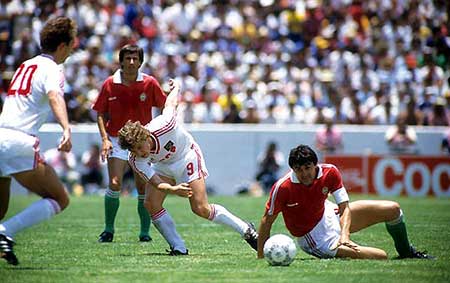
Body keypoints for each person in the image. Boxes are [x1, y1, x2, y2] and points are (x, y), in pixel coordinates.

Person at [117, 79, 258, 255]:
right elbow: (156, 182)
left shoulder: (164, 125)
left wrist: (175, 88)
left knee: (200, 208)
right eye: (134, 150)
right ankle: (178, 247)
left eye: (140, 146)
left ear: (145, 135)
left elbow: (170, 105)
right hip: (163, 165)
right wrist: (174, 189)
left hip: (187, 156)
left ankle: (247, 230)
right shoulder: (135, 159)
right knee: (151, 203)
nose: (140, 153)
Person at [257, 144, 433, 260]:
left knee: (393, 209)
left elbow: (344, 206)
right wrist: (260, 258)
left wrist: (345, 235)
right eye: (298, 169)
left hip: (329, 214)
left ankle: (406, 252)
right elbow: (266, 221)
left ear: (315, 165)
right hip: (315, 238)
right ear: (292, 169)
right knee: (381, 256)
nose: (304, 174)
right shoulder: (283, 187)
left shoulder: (330, 172)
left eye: (307, 168)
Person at [0, 16, 77, 265]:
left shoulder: (25, 65)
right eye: (72, 43)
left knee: (0, 210)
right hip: (19, 141)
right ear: (63, 45)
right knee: (60, 198)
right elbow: (54, 96)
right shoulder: (52, 68)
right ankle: (4, 233)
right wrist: (66, 128)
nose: (73, 48)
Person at [92, 44, 167, 243]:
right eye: (128, 58)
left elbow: (165, 106)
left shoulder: (150, 83)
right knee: (115, 183)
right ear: (121, 61)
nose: (132, 62)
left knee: (142, 187)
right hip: (117, 139)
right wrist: (105, 139)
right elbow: (100, 112)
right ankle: (108, 230)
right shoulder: (109, 84)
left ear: (141, 62)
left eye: (135, 58)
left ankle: (144, 233)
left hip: (141, 143)